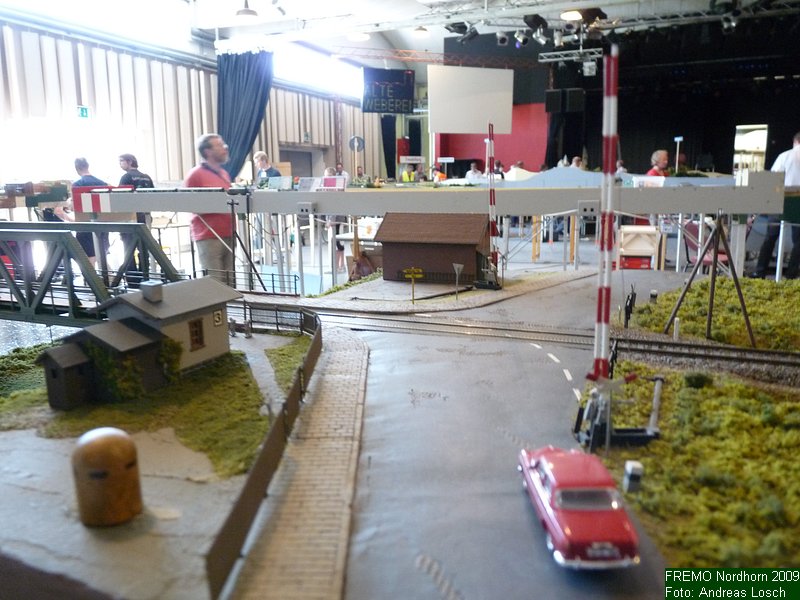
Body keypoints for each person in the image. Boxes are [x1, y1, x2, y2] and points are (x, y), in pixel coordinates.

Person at [184, 133, 234, 284]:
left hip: (229, 233)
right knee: (214, 282)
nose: (225, 148)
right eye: (219, 145)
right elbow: (189, 204)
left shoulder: (224, 174)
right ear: (208, 151)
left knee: (231, 282)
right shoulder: (195, 175)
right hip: (208, 236)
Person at [751, 131, 800, 279]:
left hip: (781, 200)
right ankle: (791, 275)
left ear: (795, 142)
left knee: (770, 237)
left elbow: (773, 180)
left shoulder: (785, 156)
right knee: (798, 241)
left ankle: (760, 271)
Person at [118, 153, 154, 286]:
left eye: (121, 161)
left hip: (130, 219)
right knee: (143, 248)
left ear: (129, 161)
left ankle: (133, 280)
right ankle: (145, 276)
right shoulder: (146, 177)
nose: (120, 164)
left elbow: (120, 198)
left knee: (128, 249)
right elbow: (154, 195)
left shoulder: (126, 177)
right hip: (145, 217)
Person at [72, 157, 109, 267]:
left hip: (85, 225)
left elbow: (76, 207)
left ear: (77, 168)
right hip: (103, 224)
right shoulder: (102, 183)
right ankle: (109, 277)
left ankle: (91, 278)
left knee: (89, 261)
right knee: (101, 257)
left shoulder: (77, 184)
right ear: (88, 166)